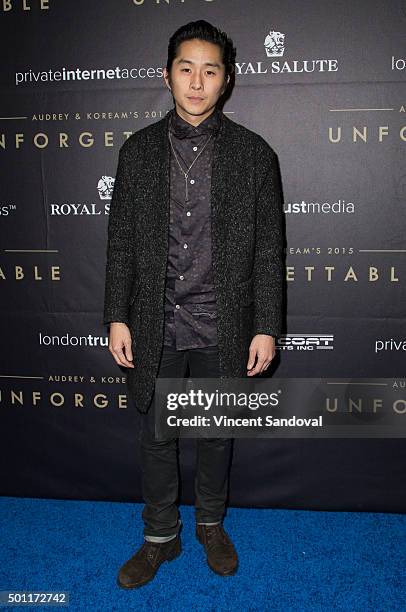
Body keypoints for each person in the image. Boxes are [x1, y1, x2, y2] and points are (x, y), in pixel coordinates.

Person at [103, 19, 284, 589]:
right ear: (167, 75)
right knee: (157, 435)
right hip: (156, 321)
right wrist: (117, 315)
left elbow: (268, 252)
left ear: (226, 81)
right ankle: (161, 535)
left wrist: (266, 326)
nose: (197, 82)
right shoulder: (137, 153)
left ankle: (210, 524)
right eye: (186, 69)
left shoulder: (255, 156)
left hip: (220, 324)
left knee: (214, 434)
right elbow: (122, 244)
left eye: (210, 71)